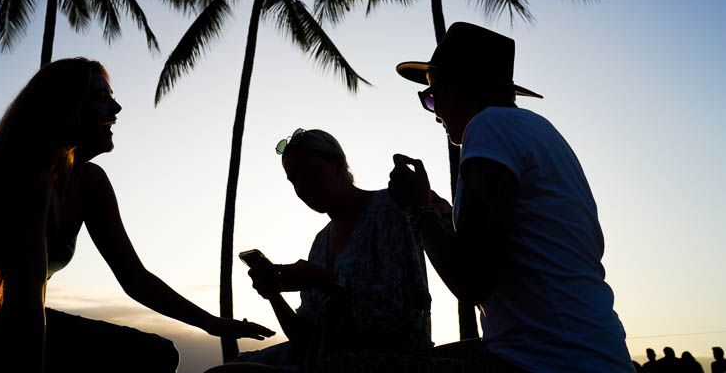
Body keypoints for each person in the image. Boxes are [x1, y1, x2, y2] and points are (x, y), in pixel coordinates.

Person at [0, 58, 273, 372]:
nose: (116, 107)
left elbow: (135, 278)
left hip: (29, 323)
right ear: (65, 106)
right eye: (100, 97)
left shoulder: (90, 182)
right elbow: (25, 302)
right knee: (152, 356)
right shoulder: (25, 178)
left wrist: (212, 324)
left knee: (156, 354)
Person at [389, 22, 634, 372]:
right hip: (590, 352)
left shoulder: (489, 126)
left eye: (433, 96)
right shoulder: (539, 130)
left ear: (462, 88)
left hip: (548, 361)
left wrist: (419, 212)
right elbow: (506, 248)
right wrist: (442, 218)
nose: (434, 111)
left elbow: (472, 279)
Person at [207, 128, 432, 372]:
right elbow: (305, 339)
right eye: (294, 180)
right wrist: (273, 294)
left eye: (310, 174)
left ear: (338, 165)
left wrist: (324, 281)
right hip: (326, 357)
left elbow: (403, 314)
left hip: (380, 359)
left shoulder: (389, 209)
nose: (302, 187)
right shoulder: (321, 241)